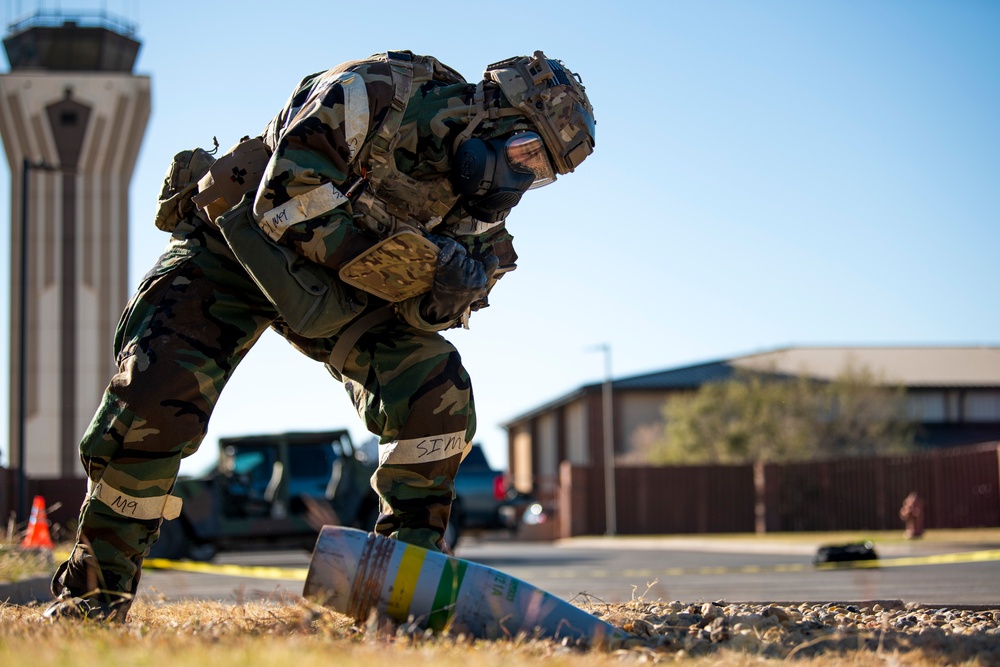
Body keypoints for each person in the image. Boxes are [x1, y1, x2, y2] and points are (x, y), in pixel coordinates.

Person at [43, 50, 596, 622]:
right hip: (234, 248)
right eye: (525, 153)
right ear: (492, 117)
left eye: (543, 172)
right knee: (155, 398)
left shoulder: (482, 211)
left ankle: (405, 598)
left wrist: (447, 291)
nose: (525, 176)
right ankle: (94, 597)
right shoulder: (377, 92)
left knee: (436, 389)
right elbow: (286, 200)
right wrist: (415, 264)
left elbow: (439, 313)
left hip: (337, 294)